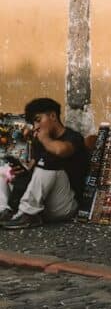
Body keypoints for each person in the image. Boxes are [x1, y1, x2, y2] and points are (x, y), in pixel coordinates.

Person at [0, 98, 89, 229]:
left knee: (49, 161)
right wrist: (22, 171)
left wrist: (45, 139)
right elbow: (36, 172)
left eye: (38, 120)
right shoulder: (40, 142)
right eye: (33, 122)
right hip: (41, 205)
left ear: (53, 116)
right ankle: (3, 211)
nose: (36, 126)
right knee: (3, 170)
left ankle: (28, 214)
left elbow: (61, 150)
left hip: (64, 205)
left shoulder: (73, 137)